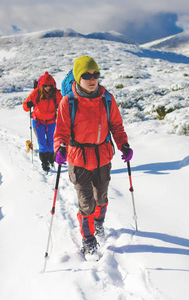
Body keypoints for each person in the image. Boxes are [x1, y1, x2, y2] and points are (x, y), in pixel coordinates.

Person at [54, 56, 133, 255]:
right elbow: (61, 130)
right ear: (78, 77)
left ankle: (99, 223)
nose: (92, 79)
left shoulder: (107, 99)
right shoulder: (68, 102)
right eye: (87, 75)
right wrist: (59, 147)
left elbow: (116, 125)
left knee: (102, 198)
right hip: (78, 159)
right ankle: (88, 239)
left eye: (96, 74)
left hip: (103, 157)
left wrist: (123, 145)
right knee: (86, 202)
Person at [23, 72, 62, 172]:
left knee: (51, 142)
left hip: (51, 121)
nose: (48, 87)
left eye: (50, 85)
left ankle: (51, 159)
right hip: (38, 121)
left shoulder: (56, 93)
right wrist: (29, 104)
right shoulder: (36, 93)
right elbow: (25, 107)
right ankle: (44, 162)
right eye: (45, 85)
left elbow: (62, 105)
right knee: (42, 143)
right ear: (41, 85)